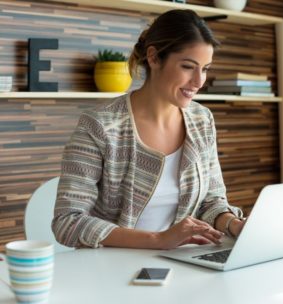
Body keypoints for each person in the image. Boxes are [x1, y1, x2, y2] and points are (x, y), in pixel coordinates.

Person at [52, 9, 245, 250]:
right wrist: (159, 240)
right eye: (188, 66)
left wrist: (233, 224)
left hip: (182, 264)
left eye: (205, 68)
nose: (199, 81)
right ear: (153, 58)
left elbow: (211, 202)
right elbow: (67, 222)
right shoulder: (100, 126)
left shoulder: (201, 120)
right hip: (111, 269)